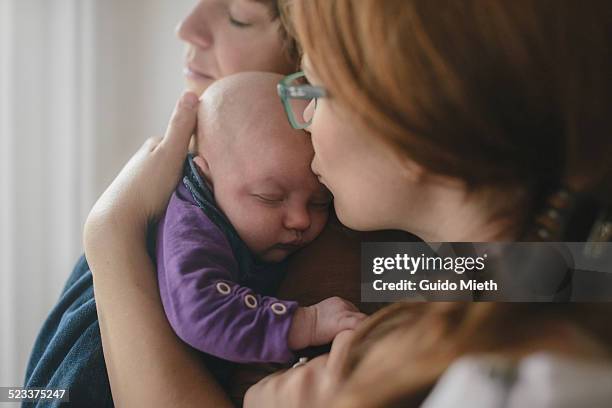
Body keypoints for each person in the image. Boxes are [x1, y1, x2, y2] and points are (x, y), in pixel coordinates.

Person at [82, 0, 612, 406]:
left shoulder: (524, 382)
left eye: (312, 88)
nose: (302, 120)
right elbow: (545, 277)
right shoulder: (497, 263)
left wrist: (112, 236)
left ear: (412, 123)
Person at [156, 72, 365, 385]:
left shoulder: (442, 266)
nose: (301, 220)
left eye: (320, 202)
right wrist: (305, 323)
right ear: (206, 177)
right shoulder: (194, 221)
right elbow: (200, 309)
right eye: (270, 197)